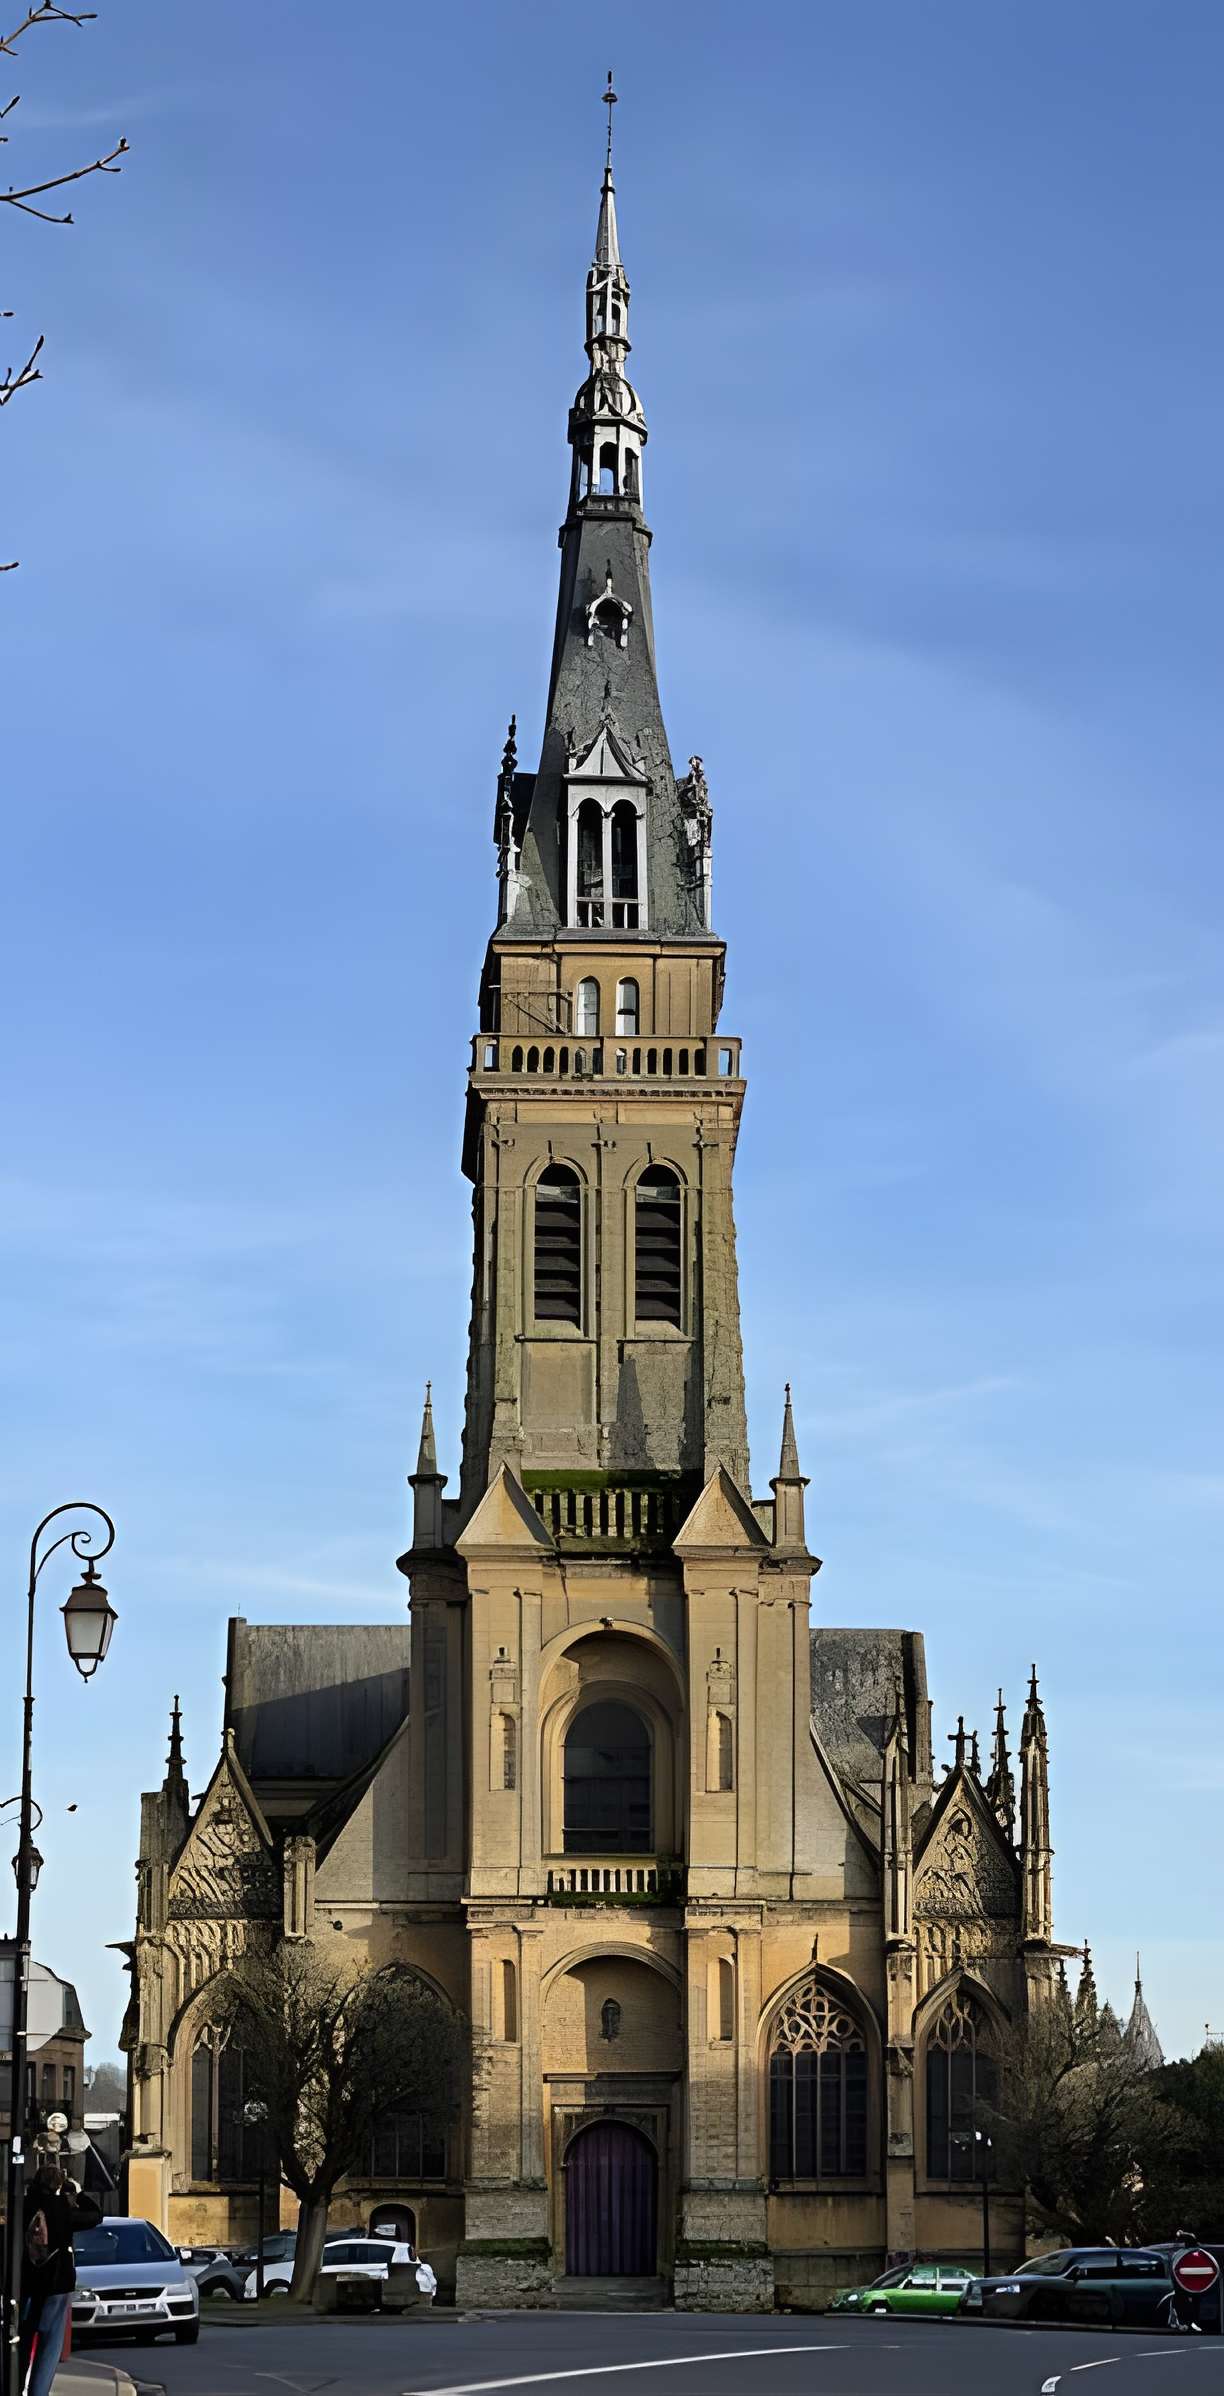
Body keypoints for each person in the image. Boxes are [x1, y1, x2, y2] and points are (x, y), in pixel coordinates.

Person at [20, 2156, 101, 2396]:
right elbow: (95, 2215)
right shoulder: (63, 2208)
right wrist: (76, 2191)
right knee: (50, 2346)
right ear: (59, 2185)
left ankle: (14, 2384)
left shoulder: (23, 2205)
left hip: (26, 2282)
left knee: (21, 2340)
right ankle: (39, 2391)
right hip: (57, 2282)